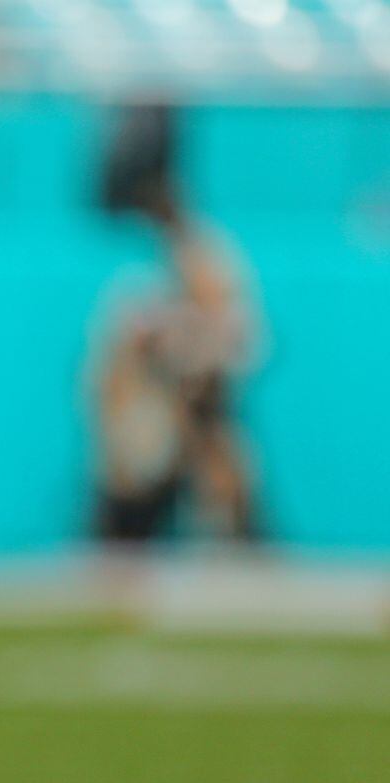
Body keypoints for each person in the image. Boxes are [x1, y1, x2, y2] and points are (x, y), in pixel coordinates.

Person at [92, 104, 259, 542]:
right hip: (161, 411)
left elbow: (236, 339)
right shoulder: (146, 268)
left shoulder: (210, 256)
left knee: (226, 495)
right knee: (136, 489)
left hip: (205, 408)